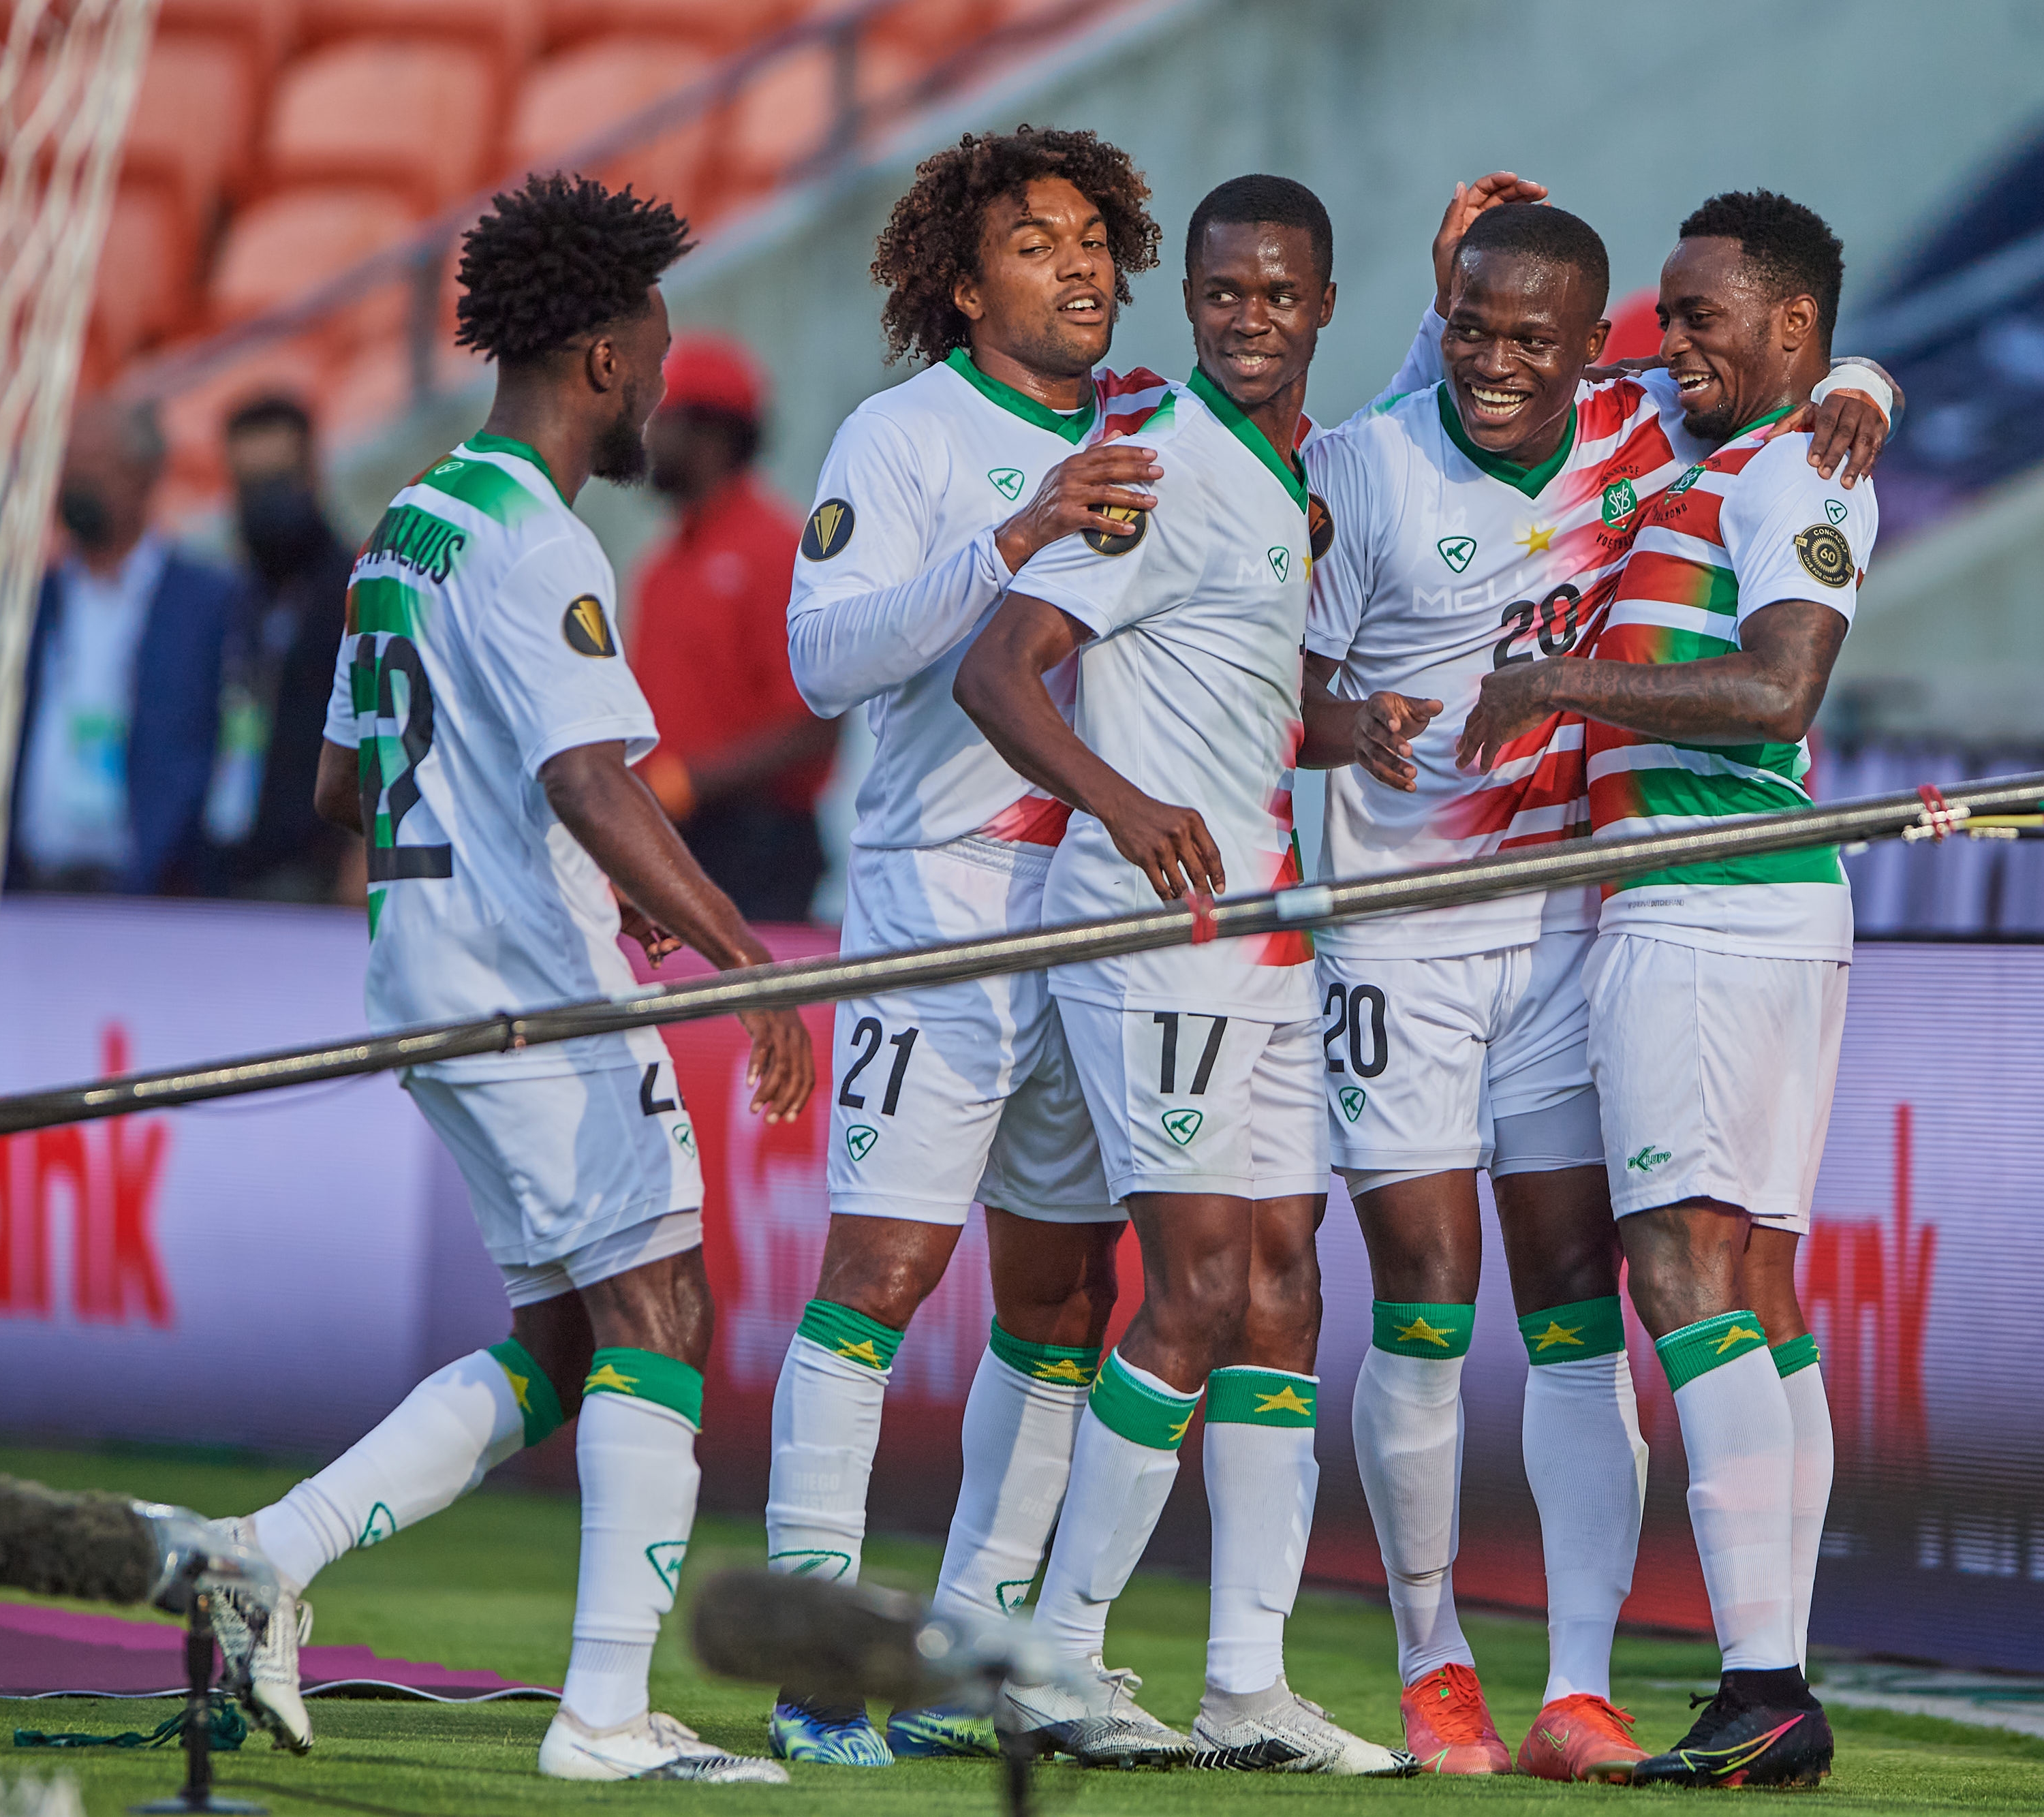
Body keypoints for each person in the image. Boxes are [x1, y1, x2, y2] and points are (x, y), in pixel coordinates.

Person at [217, 172, 814, 1786]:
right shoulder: (538, 539)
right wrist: (747, 963)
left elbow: (340, 792)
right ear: (606, 359)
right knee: (664, 1309)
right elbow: (589, 782)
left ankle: (267, 1555)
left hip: (420, 971)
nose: (665, 380)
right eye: (659, 345)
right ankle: (604, 1721)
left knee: (571, 1343)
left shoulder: (410, 520)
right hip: (534, 982)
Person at [1299, 194, 1893, 1780]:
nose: (1668, 343)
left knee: (1650, 1283)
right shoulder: (1617, 445)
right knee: (1655, 1287)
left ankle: (1684, 1680)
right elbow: (1278, 662)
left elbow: (1778, 679)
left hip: (1651, 912)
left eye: (1699, 317)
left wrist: (1550, 678)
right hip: (1426, 928)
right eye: (1665, 318)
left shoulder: (1738, 454)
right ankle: (1460, 1669)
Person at [957, 174, 1407, 1778]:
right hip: (1159, 941)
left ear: (1320, 307)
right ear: (1194, 300)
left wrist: (1361, 728)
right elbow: (995, 670)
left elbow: (1247, 693)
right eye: (1223, 291)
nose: (1250, 315)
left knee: (1288, 1288)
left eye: (1279, 294)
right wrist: (1127, 805)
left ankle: (1245, 1687)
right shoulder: (1153, 471)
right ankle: (1052, 1658)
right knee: (1203, 1284)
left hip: (1270, 934)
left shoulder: (1286, 481)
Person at [766, 125, 1174, 1768]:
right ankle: (812, 1661)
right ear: (961, 279)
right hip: (938, 908)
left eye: (1094, 235)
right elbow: (819, 660)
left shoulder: (1153, 426)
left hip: (1093, 912)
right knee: (878, 1276)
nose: (1077, 264)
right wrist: (1013, 535)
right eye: (1033, 240)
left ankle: (976, 1650)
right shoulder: (907, 430)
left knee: (1066, 1292)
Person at [629, 333, 838, 922]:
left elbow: (816, 721)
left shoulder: (774, 551)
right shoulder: (663, 565)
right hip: (676, 841)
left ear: (712, 435)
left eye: (663, 420)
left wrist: (688, 782)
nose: (648, 438)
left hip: (756, 849)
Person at [9, 397, 238, 896]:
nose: (75, 481)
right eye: (68, 463)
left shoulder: (206, 603)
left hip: (151, 895)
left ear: (145, 474)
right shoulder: (26, 606)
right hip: (33, 890)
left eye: (94, 464)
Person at [206, 393, 359, 902]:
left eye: (278, 482)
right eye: (249, 486)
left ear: (312, 473)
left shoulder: (359, 595)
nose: (265, 502)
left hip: (313, 872)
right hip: (222, 864)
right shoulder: (231, 600)